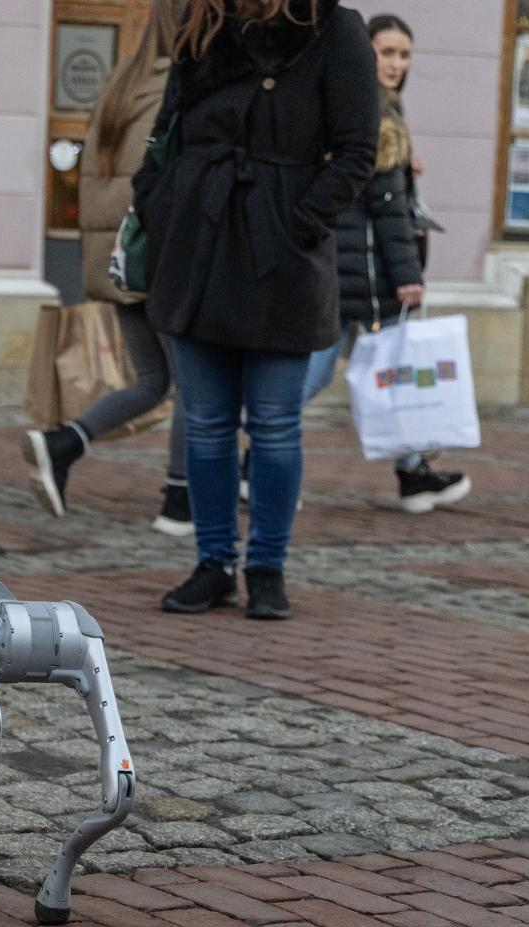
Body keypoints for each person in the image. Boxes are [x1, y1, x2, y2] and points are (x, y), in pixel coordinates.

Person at [135, 0, 378, 620]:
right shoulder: (202, 23)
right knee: (208, 424)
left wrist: (296, 224)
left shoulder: (330, 26)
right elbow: (167, 133)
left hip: (281, 257)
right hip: (198, 243)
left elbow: (357, 149)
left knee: (274, 425)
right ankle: (214, 562)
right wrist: (160, 210)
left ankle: (267, 567)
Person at [22, 0, 194, 536]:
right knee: (190, 385)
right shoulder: (178, 87)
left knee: (153, 381)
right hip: (157, 257)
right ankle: (180, 501)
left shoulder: (122, 84)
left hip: (119, 259)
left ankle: (62, 443)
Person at [303, 13, 472, 514]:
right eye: (386, 52)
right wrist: (408, 278)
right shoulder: (372, 116)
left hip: (348, 270)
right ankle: (255, 463)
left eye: (404, 55)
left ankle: (413, 474)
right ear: (364, 53)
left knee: (389, 377)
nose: (396, 64)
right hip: (363, 275)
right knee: (322, 378)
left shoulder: (368, 108)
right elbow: (385, 208)